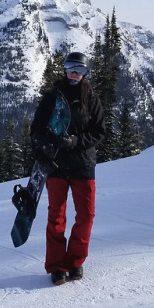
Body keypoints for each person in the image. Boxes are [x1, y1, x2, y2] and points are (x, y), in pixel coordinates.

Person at [30, 51, 106, 285]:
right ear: (64, 69)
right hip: (57, 166)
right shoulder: (52, 97)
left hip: (83, 165)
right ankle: (56, 266)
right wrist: (50, 145)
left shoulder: (90, 98)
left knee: (86, 216)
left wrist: (75, 142)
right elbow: (36, 130)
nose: (74, 74)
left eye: (80, 70)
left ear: (85, 73)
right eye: (71, 68)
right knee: (56, 217)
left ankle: (75, 260)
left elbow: (99, 132)